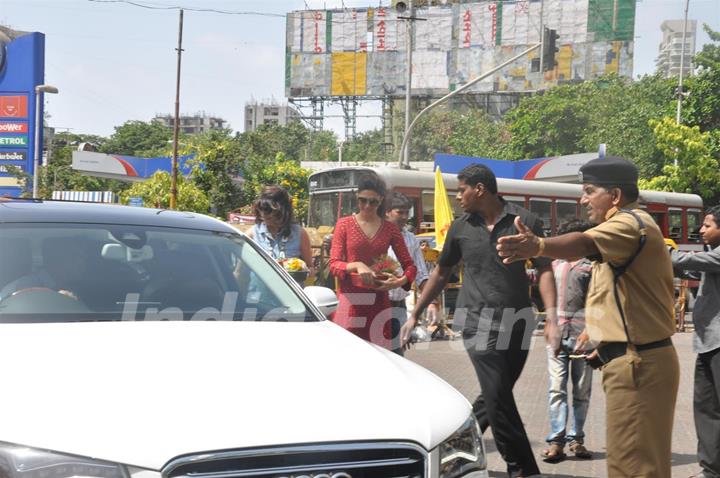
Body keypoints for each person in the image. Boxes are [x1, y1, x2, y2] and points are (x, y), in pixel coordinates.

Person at [495, 156, 679, 478]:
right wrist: (602, 338)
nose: (583, 199)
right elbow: (617, 293)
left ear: (615, 195)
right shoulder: (633, 226)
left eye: (589, 191)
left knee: (632, 467)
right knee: (640, 463)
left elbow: (582, 242)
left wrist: (538, 245)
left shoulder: (627, 223)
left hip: (638, 364)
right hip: (635, 358)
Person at [401, 163, 557, 478]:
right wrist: (416, 312)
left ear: (480, 189)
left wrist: (552, 316)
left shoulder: (524, 221)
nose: (459, 197)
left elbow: (544, 269)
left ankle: (451, 449)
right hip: (476, 322)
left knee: (494, 396)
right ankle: (522, 468)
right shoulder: (459, 228)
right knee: (497, 391)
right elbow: (441, 273)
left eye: (462, 190)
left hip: (518, 322)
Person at [330, 172, 417, 350]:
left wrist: (399, 281)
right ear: (356, 198)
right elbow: (334, 264)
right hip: (350, 300)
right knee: (347, 353)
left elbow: (410, 266)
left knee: (381, 357)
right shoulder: (344, 224)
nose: (367, 206)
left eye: (373, 201)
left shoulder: (390, 229)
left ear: (381, 200)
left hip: (379, 301)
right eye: (363, 200)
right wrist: (356, 265)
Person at [669, 205, 720, 478]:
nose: (701, 230)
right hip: (707, 343)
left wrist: (660, 249)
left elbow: (686, 261)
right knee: (706, 409)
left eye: (707, 225)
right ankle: (710, 470)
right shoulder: (712, 255)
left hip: (718, 343)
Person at [541, 220, 594, 463]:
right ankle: (556, 441)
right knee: (556, 388)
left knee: (582, 391)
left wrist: (592, 331)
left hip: (585, 336)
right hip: (557, 335)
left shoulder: (592, 267)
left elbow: (599, 300)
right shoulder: (552, 266)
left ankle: (577, 439)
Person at [385, 192, 430, 355]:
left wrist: (432, 301)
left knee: (398, 355)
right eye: (400, 212)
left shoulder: (411, 240)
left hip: (399, 307)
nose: (404, 217)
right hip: (377, 306)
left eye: (407, 213)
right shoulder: (376, 237)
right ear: (387, 212)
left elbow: (421, 274)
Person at [247, 185, 314, 277]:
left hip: (288, 291)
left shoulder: (299, 234)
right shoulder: (251, 235)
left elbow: (310, 268)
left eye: (271, 212)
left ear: (284, 212)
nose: (265, 215)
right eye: (263, 210)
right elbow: (241, 271)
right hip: (258, 291)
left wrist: (301, 272)